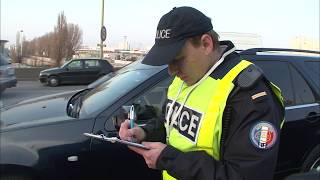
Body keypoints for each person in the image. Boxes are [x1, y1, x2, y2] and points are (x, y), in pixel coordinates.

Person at [119, 6, 284, 180]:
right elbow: (171, 124)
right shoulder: (184, 80)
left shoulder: (248, 96)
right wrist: (144, 132)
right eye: (168, 62)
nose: (171, 71)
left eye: (177, 60)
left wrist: (169, 159)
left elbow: (244, 176)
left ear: (206, 44)